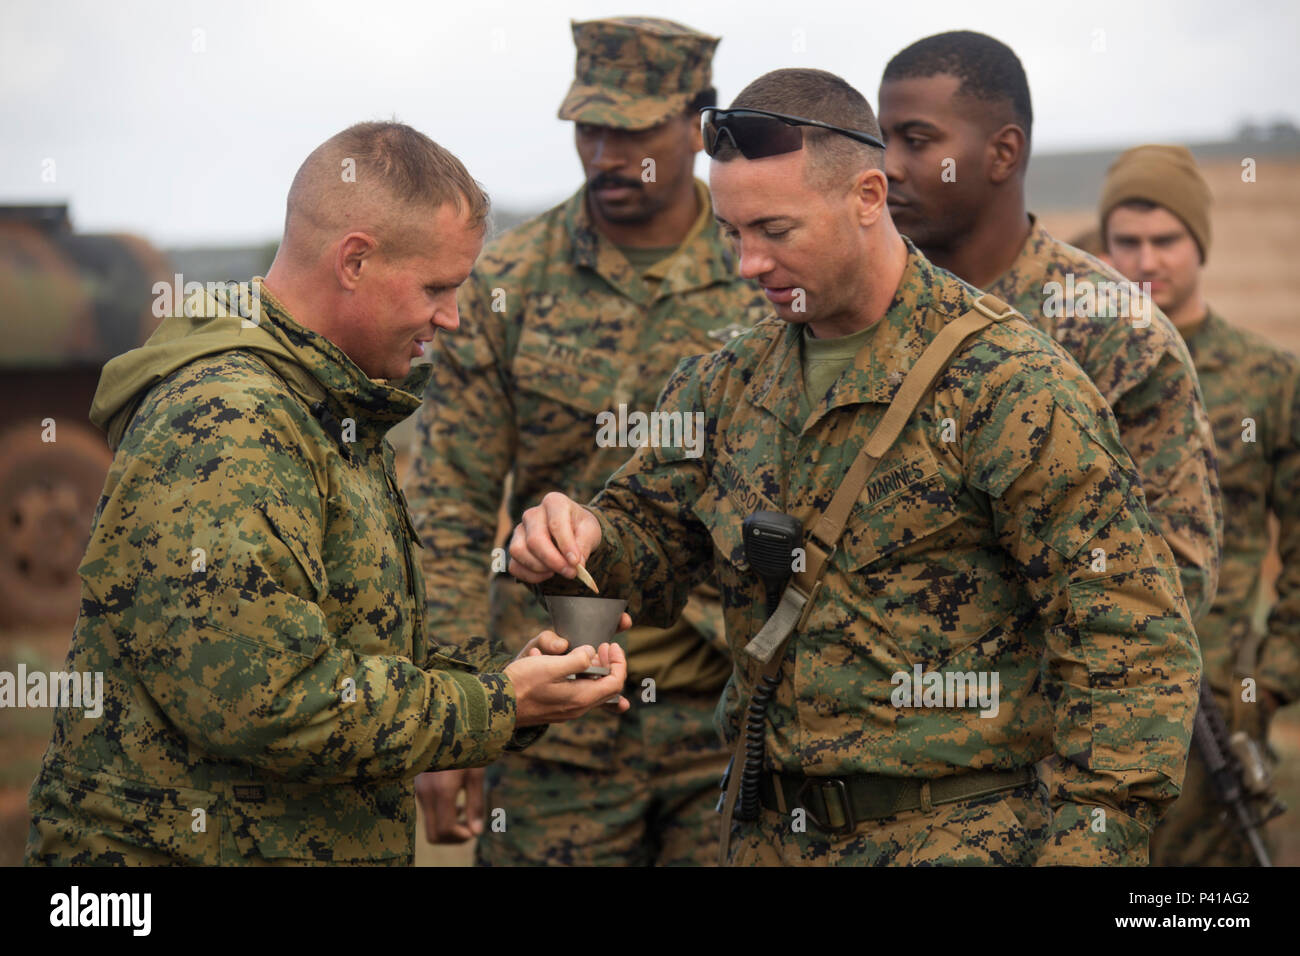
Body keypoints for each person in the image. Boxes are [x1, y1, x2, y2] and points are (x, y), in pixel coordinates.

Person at [507, 69, 1201, 866]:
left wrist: (1091, 849)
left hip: (955, 838)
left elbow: (1131, 639)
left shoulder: (1010, 386)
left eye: (775, 230)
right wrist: (577, 536)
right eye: (732, 233)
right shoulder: (727, 382)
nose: (746, 263)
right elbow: (648, 545)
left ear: (868, 197)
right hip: (762, 833)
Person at [24, 121, 627, 867]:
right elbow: (267, 698)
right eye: (437, 287)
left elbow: (352, 645)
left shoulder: (325, 404)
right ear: (355, 261)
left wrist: (504, 677)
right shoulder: (230, 422)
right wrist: (496, 707)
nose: (453, 317)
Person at [406, 16, 768, 866]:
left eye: (632, 130)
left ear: (696, 127)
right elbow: (450, 509)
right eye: (588, 128)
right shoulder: (512, 283)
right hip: (555, 722)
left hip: (725, 715)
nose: (605, 154)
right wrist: (458, 711)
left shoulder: (761, 266)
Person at [877, 30, 1221, 623]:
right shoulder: (863, 309)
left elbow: (1174, 575)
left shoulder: (1113, 330)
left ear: (1003, 153)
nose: (887, 166)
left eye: (916, 141)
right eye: (879, 139)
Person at [1100, 144, 1299, 865]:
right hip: (1087, 697)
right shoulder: (1061, 371)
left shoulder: (1268, 379)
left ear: (1199, 245)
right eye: (1126, 242)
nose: (1146, 260)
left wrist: (1270, 683)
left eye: (1166, 240)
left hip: (1213, 706)